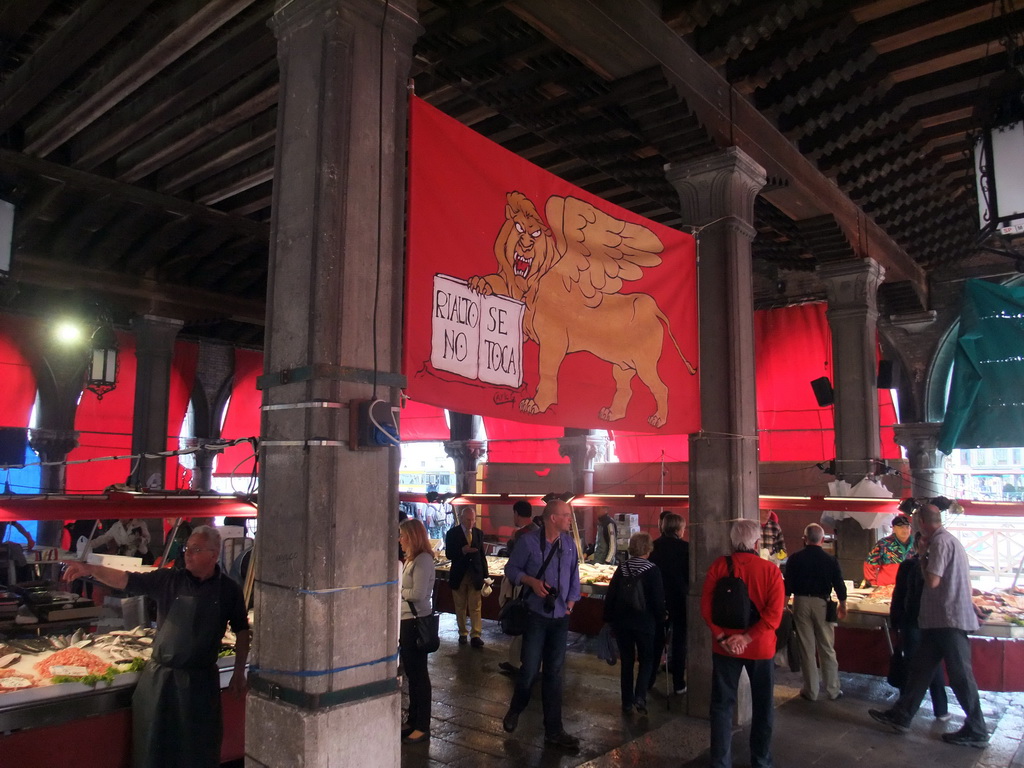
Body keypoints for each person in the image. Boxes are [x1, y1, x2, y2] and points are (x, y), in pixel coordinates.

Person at [63, 525, 250, 768]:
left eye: (195, 550)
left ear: (213, 555)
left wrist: (238, 671)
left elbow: (242, 630)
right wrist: (89, 569)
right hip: (162, 681)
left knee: (198, 750)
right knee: (154, 750)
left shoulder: (229, 590)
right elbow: (125, 580)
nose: (187, 554)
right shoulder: (168, 579)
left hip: (202, 684)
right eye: (187, 548)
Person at [869, 504, 989, 747]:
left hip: (947, 619)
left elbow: (932, 580)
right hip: (937, 620)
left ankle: (977, 728)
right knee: (920, 670)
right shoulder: (948, 541)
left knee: (960, 676)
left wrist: (923, 555)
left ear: (922, 522)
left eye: (914, 521)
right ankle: (902, 714)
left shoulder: (939, 543)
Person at [701, 518, 785, 768]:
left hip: (724, 647)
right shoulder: (770, 571)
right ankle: (760, 760)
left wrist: (722, 636)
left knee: (721, 706)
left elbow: (706, 608)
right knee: (763, 706)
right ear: (757, 542)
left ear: (732, 540)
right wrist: (747, 637)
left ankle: (720, 762)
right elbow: (774, 615)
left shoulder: (718, 566)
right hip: (760, 648)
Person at [502, 499, 582, 750]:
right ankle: (516, 709)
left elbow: (574, 575)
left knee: (554, 674)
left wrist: (570, 604)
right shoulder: (528, 543)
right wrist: (531, 582)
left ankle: (554, 730)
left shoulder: (569, 544)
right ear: (553, 518)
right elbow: (511, 569)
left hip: (560, 617)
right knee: (529, 670)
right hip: (536, 616)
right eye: (566, 515)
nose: (570, 519)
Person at [784, 523, 847, 701]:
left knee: (807, 648)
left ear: (804, 539)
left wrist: (784, 605)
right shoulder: (830, 560)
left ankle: (810, 691)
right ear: (822, 539)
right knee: (827, 647)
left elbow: (787, 586)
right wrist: (843, 604)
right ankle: (833, 689)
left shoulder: (795, 559)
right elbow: (839, 585)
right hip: (822, 604)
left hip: (801, 602)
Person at [889, 531, 949, 721]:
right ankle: (941, 709)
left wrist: (894, 621)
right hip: (932, 623)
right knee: (933, 665)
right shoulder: (939, 567)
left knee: (912, 665)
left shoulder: (908, 565)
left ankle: (904, 706)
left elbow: (898, 595)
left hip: (911, 622)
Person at [604, 531, 665, 715]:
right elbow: (657, 599)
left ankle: (626, 701)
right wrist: (662, 618)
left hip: (622, 622)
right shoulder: (652, 570)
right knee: (647, 659)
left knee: (627, 661)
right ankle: (640, 696)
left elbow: (611, 596)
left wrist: (608, 619)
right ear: (648, 548)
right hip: (644, 622)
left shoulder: (622, 568)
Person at [399, 518, 435, 744]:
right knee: (412, 674)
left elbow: (419, 593)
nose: (400, 540)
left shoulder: (422, 560)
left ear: (412, 537)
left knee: (419, 675)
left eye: (402, 535)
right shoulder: (412, 560)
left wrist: (398, 590)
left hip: (416, 621)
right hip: (408, 621)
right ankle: (413, 719)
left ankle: (422, 725)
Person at [649, 512, 689, 694]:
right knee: (679, 642)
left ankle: (648, 680)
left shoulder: (653, 547)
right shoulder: (686, 548)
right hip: (680, 600)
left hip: (658, 600)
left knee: (656, 640)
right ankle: (679, 683)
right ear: (679, 529)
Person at [499, 500, 538, 674]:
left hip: (523, 585)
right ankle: (530, 662)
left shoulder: (521, 535)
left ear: (516, 514)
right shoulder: (539, 530)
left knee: (520, 623)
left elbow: (514, 562)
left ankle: (517, 663)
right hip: (537, 585)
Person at [445, 506, 488, 647]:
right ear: (462, 518)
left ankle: (476, 634)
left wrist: (486, 576)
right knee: (460, 605)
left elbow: (482, 556)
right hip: (459, 574)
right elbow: (449, 554)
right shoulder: (452, 533)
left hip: (475, 574)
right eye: (468, 520)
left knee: (476, 606)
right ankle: (462, 632)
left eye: (473, 520)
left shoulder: (478, 533)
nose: (471, 523)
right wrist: (462, 551)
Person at [863, 513, 914, 586]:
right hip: (887, 588)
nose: (905, 530)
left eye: (907, 527)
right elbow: (870, 564)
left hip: (910, 587)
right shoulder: (883, 544)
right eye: (901, 527)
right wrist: (873, 584)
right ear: (893, 528)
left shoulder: (917, 544)